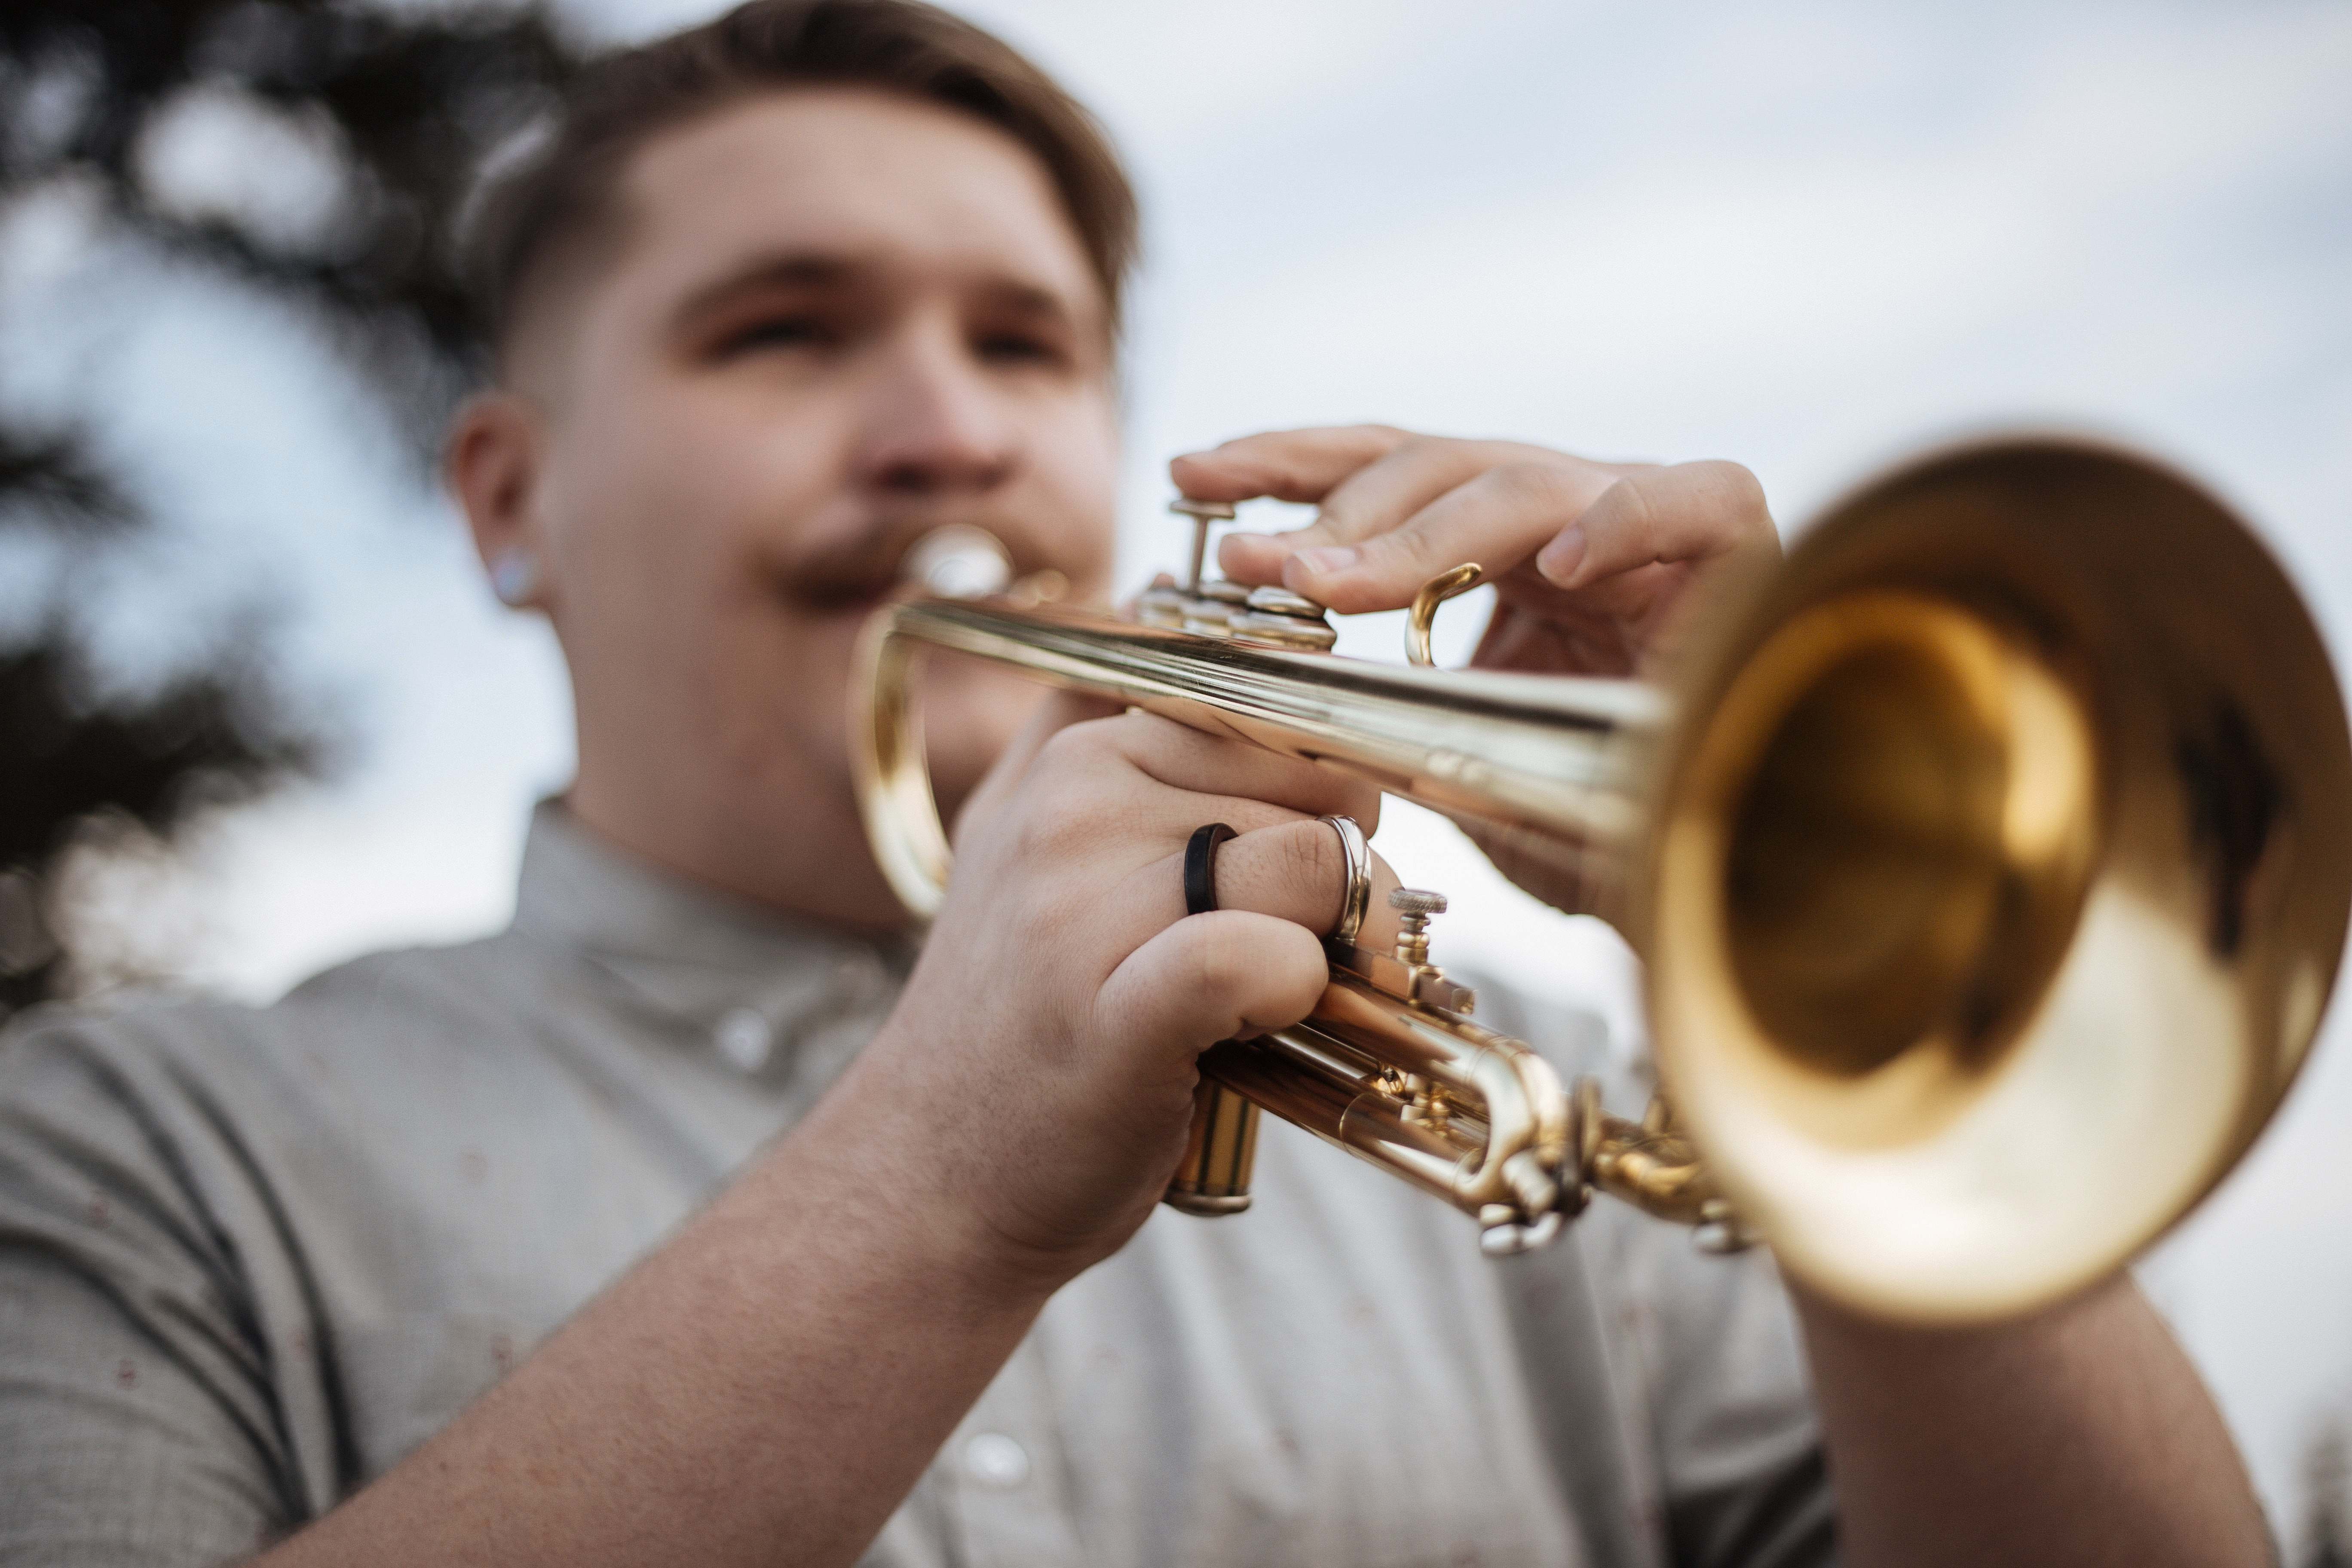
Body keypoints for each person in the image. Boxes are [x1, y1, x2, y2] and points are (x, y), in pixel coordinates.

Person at [0, 3, 2271, 1565]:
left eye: (1025, 345)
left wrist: (1823, 961)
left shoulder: (1567, 1104)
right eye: (781, 328)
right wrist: (931, 1189)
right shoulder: (127, 1153)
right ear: (509, 501)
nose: (947, 431)